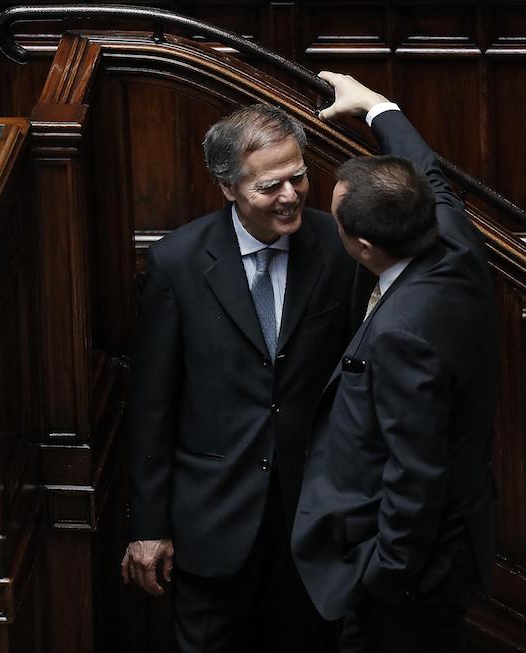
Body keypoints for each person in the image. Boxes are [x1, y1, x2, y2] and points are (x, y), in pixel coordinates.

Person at [121, 101, 368, 652]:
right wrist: (148, 526)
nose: (290, 195)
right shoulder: (177, 262)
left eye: (298, 177)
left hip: (312, 517)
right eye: (269, 186)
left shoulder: (339, 246)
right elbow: (152, 405)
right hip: (213, 518)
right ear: (228, 187)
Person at [291, 72, 499, 653]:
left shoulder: (402, 335)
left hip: (414, 579)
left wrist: (384, 575)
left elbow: (417, 471)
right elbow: (428, 172)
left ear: (362, 247)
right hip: (447, 540)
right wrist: (377, 107)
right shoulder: (454, 242)